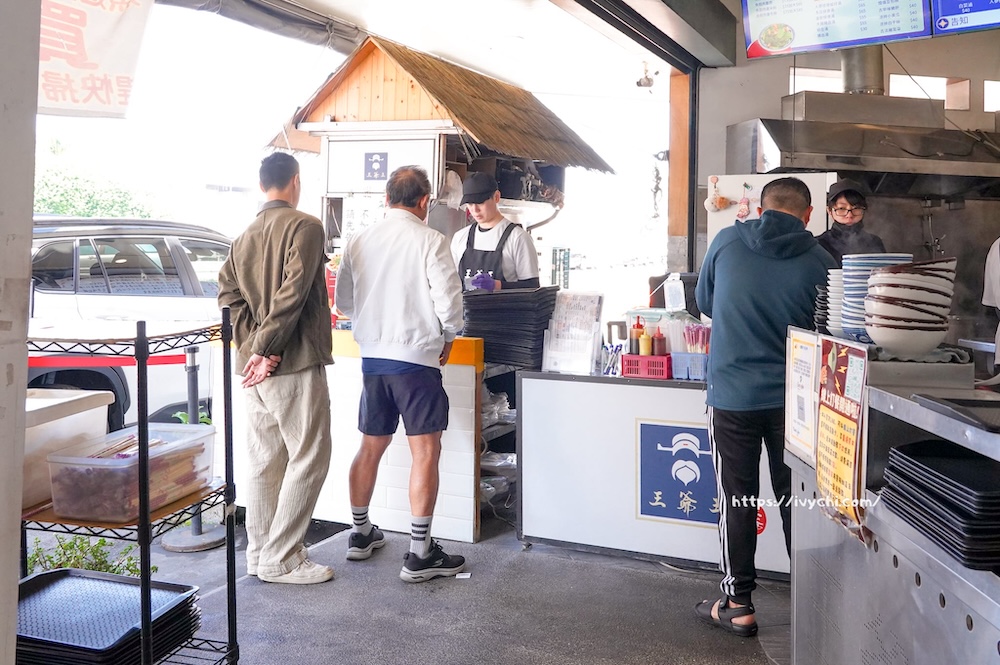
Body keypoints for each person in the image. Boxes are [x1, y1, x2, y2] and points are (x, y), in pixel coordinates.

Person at [694, 177, 837, 636]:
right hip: (792, 405)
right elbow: (830, 331)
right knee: (796, 498)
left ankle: (738, 603)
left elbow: (705, 303)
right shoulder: (820, 261)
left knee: (735, 498)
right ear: (810, 215)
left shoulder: (727, 240)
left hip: (732, 396)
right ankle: (811, 599)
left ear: (758, 207)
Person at [335, 165, 467, 583]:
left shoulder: (358, 239)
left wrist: (375, 324)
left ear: (387, 198)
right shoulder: (431, 240)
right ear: (425, 202)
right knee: (425, 451)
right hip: (417, 361)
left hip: (373, 360)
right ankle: (420, 552)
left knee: (370, 445)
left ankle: (360, 535)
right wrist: (448, 336)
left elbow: (343, 302)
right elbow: (448, 302)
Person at [218, 152, 334, 585]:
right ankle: (282, 558)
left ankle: (260, 554)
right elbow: (293, 294)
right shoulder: (306, 226)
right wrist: (265, 349)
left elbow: (228, 299)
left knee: (265, 460)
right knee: (309, 455)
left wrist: (252, 348)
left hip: (255, 372)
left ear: (262, 183)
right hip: (294, 361)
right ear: (295, 182)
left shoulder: (242, 237)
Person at [450, 171, 541, 291]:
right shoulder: (460, 237)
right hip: (467, 309)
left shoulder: (518, 238)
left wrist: (497, 286)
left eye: (480, 202)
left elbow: (532, 288)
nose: (475, 210)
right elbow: (452, 283)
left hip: (503, 309)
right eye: (470, 204)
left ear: (496, 197)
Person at [816, 178, 886, 266]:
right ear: (829, 211)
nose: (849, 215)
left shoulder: (875, 242)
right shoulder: (819, 244)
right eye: (841, 208)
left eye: (856, 208)